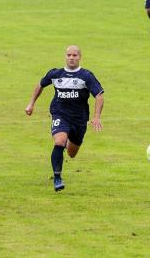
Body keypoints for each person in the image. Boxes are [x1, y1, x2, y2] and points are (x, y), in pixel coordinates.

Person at [25, 45, 105, 192]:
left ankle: (66, 141)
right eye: (69, 55)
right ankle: (57, 178)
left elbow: (99, 95)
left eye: (75, 55)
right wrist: (31, 104)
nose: (71, 58)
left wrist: (96, 117)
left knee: (71, 153)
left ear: (80, 57)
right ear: (65, 56)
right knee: (59, 141)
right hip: (59, 114)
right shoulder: (55, 74)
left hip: (79, 120)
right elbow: (40, 85)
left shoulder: (86, 76)